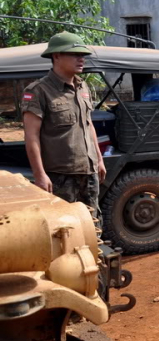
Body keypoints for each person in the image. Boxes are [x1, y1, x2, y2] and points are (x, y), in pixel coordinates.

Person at [21, 31, 106, 215]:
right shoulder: (39, 91)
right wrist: (39, 175)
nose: (81, 59)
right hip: (60, 177)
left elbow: (88, 124)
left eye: (83, 55)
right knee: (64, 230)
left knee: (92, 227)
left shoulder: (82, 86)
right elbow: (31, 136)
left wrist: (99, 159)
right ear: (57, 56)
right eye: (75, 54)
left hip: (88, 173)